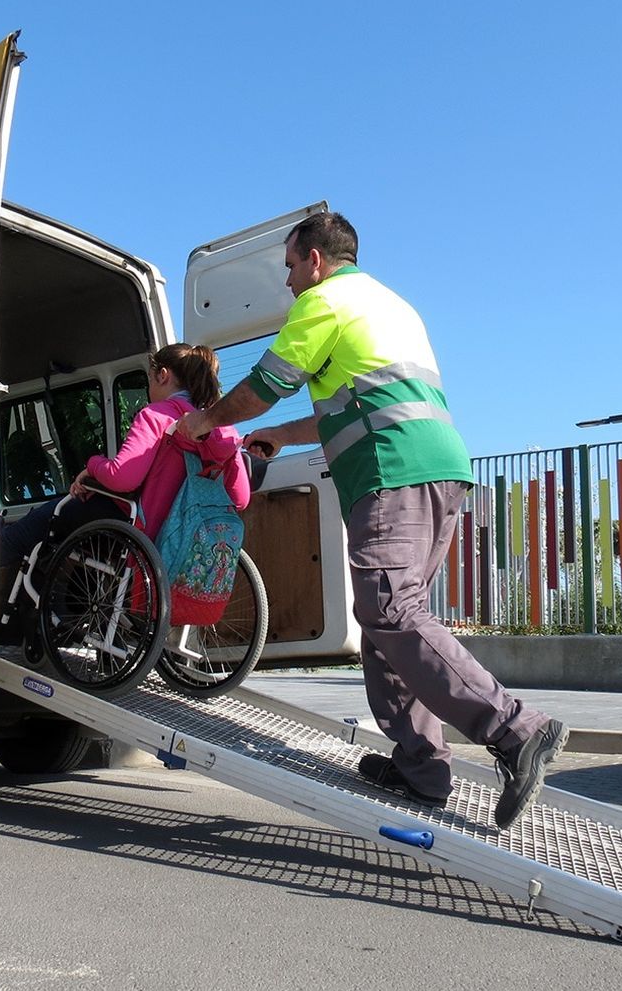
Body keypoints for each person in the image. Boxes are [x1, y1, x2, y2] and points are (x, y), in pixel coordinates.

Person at [173, 212, 566, 831]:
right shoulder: (390, 305)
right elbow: (350, 406)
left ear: (316, 261)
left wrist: (206, 420)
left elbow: (267, 383)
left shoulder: (323, 301)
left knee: (390, 609)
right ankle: (420, 767)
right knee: (385, 622)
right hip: (438, 467)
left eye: (290, 267)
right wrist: (280, 436)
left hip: (391, 470)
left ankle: (517, 731)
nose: (289, 282)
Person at [0, 343, 251, 572]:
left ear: (163, 375)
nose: (149, 388)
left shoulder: (157, 415)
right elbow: (240, 499)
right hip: (187, 539)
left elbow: (122, 478)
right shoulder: (223, 433)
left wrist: (92, 466)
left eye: (149, 379)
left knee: (36, 525)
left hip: (142, 530)